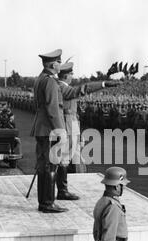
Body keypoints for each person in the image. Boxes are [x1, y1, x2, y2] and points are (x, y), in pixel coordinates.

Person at [56, 61, 120, 199]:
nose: (72, 76)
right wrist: (102, 84)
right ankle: (62, 190)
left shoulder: (62, 87)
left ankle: (63, 188)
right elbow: (81, 90)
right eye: (71, 74)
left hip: (71, 124)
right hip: (67, 125)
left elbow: (73, 112)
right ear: (66, 75)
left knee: (69, 158)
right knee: (65, 159)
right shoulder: (62, 88)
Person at [30, 49, 68, 213]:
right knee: (51, 166)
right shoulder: (51, 82)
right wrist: (60, 131)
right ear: (54, 64)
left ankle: (44, 202)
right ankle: (47, 203)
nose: (61, 64)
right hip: (50, 129)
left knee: (43, 166)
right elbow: (53, 109)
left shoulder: (41, 78)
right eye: (59, 62)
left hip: (42, 127)